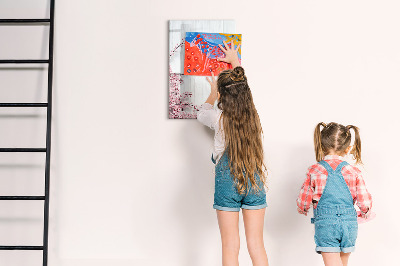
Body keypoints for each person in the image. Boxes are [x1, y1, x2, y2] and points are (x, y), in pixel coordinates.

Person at [197, 40, 269, 266]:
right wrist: (235, 62)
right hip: (254, 178)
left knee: (230, 245)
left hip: (227, 182)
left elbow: (202, 113)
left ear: (223, 95)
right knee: (256, 244)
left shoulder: (219, 118)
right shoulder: (252, 116)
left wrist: (212, 94)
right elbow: (242, 87)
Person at [297, 122, 373, 266]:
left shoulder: (315, 170)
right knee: (343, 262)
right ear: (348, 149)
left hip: (326, 224)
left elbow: (304, 198)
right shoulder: (353, 172)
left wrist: (303, 208)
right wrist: (365, 212)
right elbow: (364, 200)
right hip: (349, 224)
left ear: (321, 145)